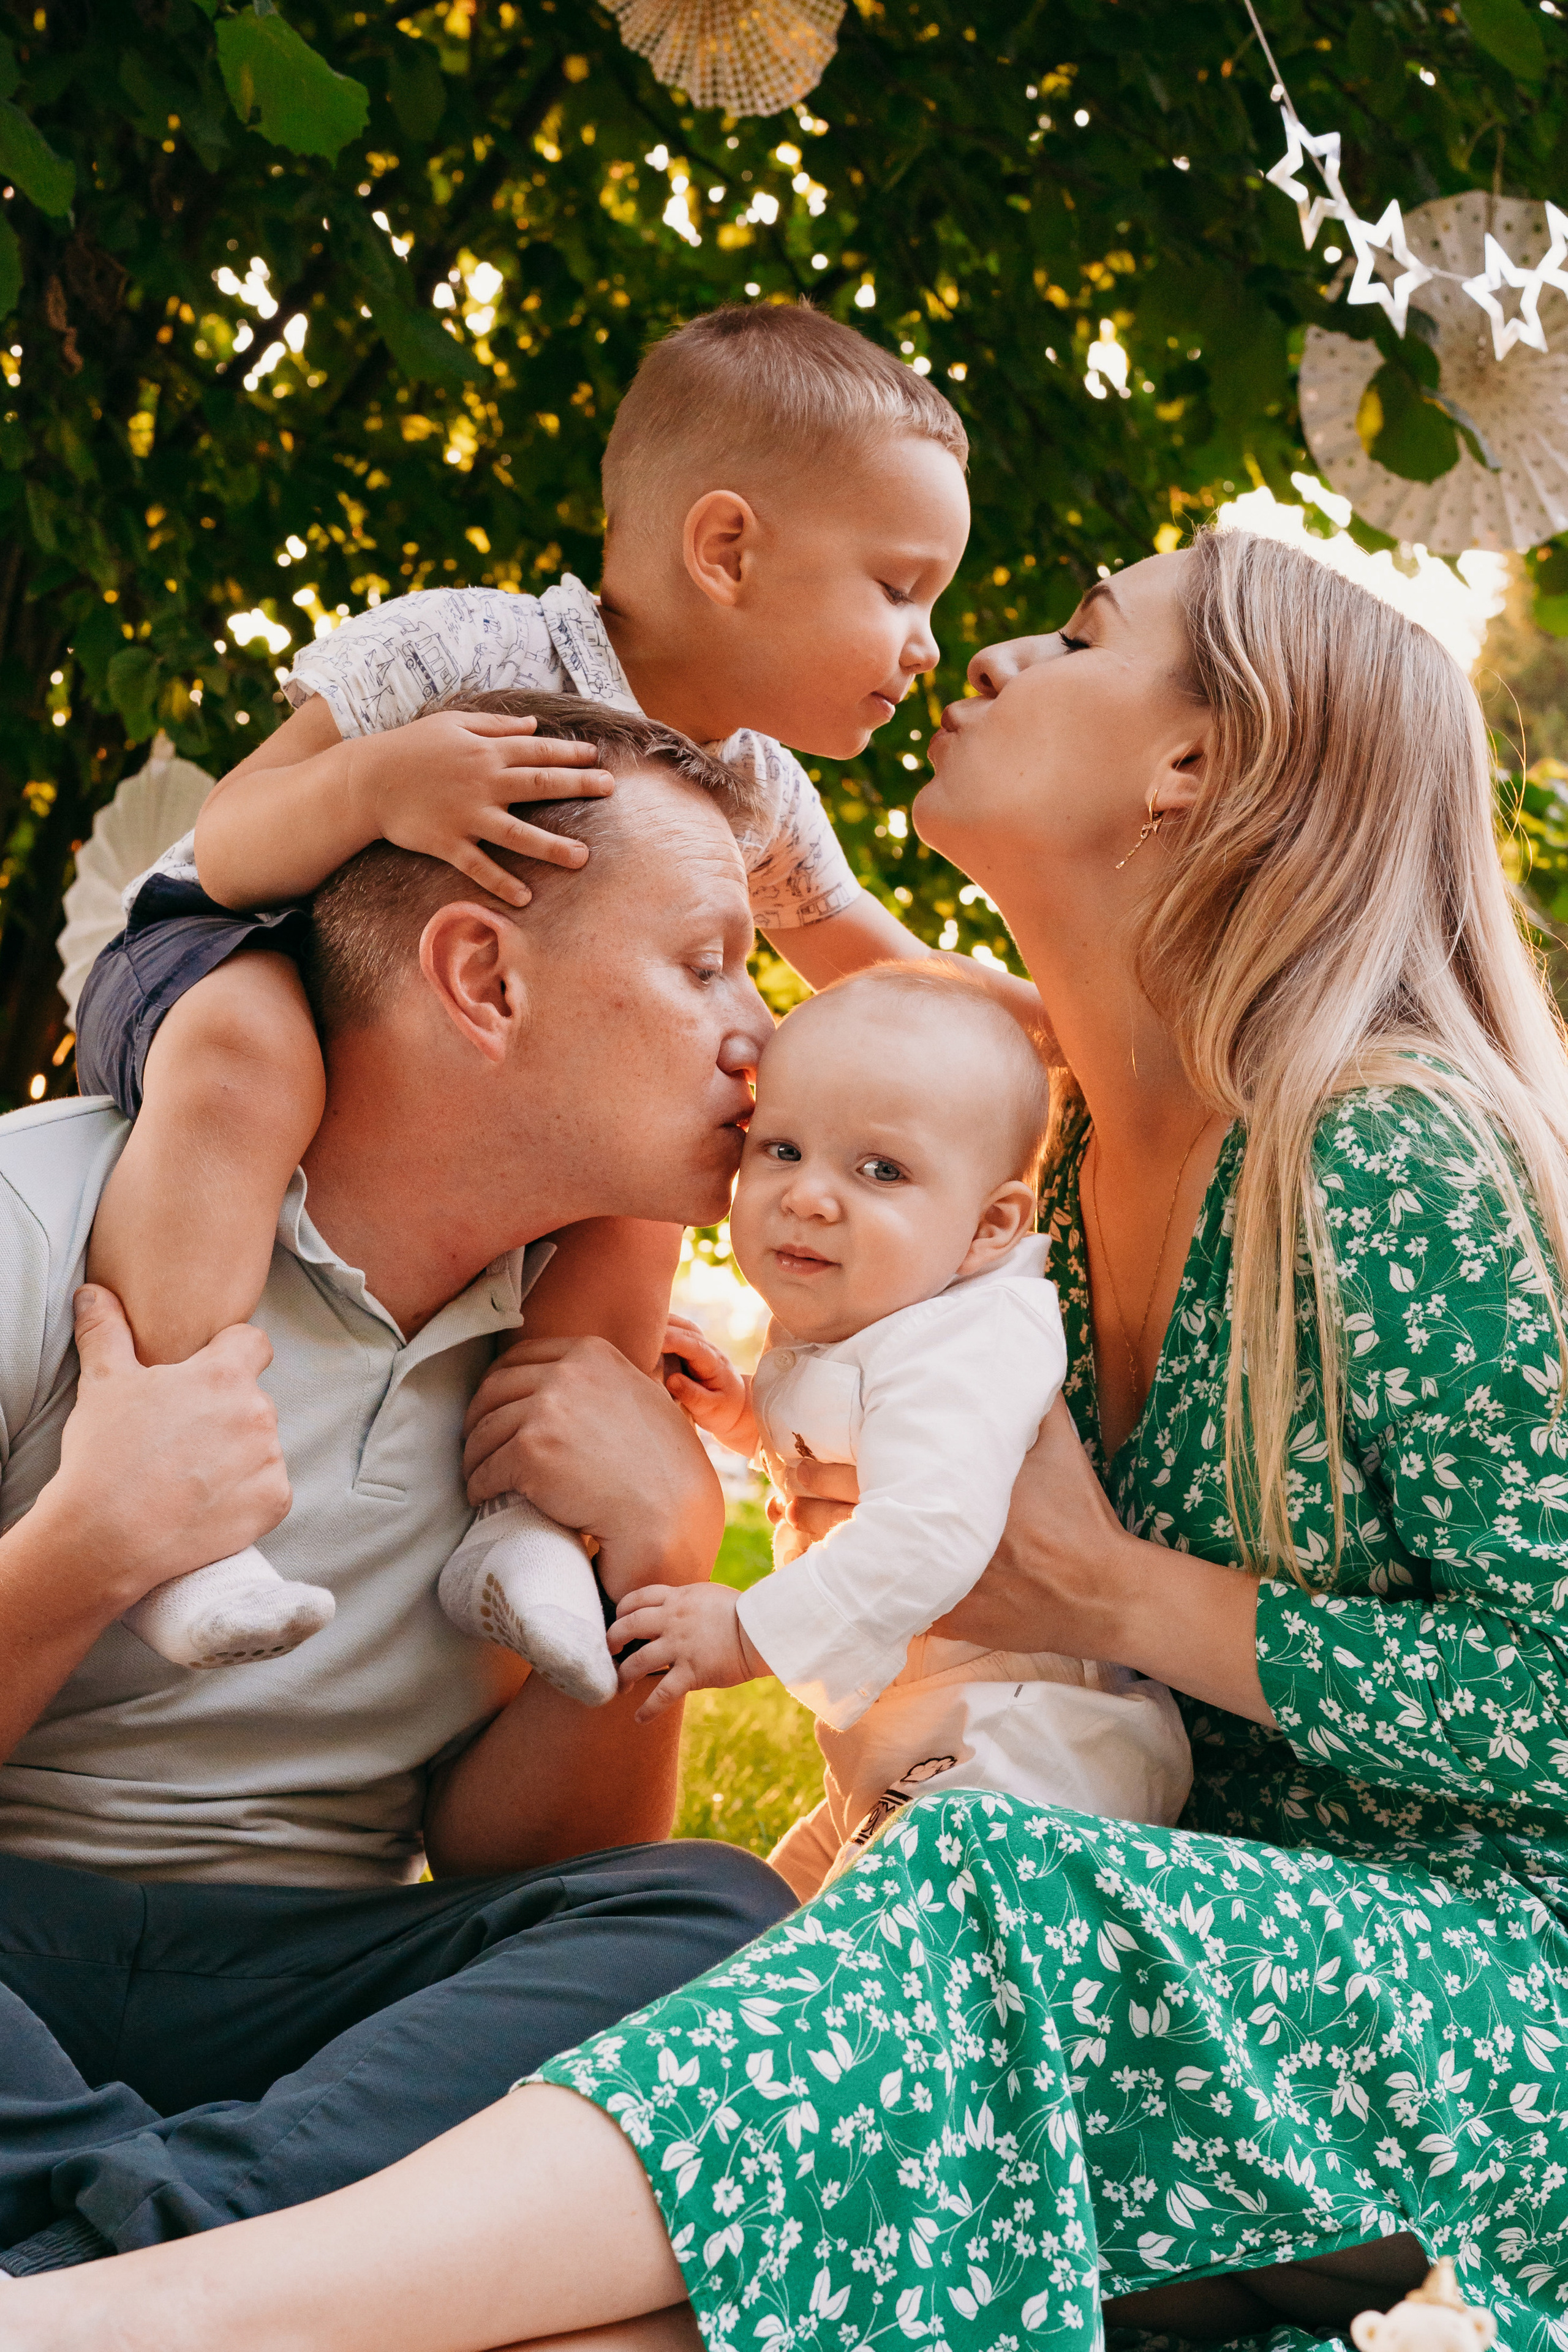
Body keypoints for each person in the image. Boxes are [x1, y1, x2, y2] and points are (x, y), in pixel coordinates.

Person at [21, 521, 1568, 2352]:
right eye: (707, 970)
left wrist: (1087, 1592)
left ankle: (118, 2315)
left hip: (1421, 1985)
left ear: (1190, 766)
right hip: (1136, 1947)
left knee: (793, 1931)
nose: (985, 654)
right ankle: (164, 2273)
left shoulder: (1378, 1153)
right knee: (648, 2226)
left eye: (1077, 638)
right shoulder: (1038, 1179)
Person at [0, 701, 796, 2283]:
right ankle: (230, 2264)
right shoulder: (43, 1217)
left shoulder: (580, 1351)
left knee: (720, 1921)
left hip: (303, 1996)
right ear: (483, 979)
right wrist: (88, 1551)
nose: (760, 1038)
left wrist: (658, 1562)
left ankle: (130, 2259)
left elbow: (521, 1866)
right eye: (706, 965)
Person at [69, 301, 974, 1674]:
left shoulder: (758, 790)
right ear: (727, 550)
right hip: (230, 957)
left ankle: (527, 1525)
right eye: (900, 588)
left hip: (446, 1055)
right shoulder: (471, 652)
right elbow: (232, 840)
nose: (925, 646)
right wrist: (378, 783)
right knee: (254, 1055)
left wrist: (1078, 1029)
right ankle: (173, 1494)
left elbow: (888, 976)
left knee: (653, 1172)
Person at [630, 960, 1191, 1897]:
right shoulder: (879, 1308)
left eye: (881, 1169)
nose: (809, 1196)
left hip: (1026, 1752)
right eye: (782, 1149)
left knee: (853, 1947)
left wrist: (747, 1633)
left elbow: (929, 1532)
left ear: (988, 1228)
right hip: (916, 1738)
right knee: (761, 1923)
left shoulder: (968, 1340)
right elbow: (857, 1457)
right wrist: (744, 1413)